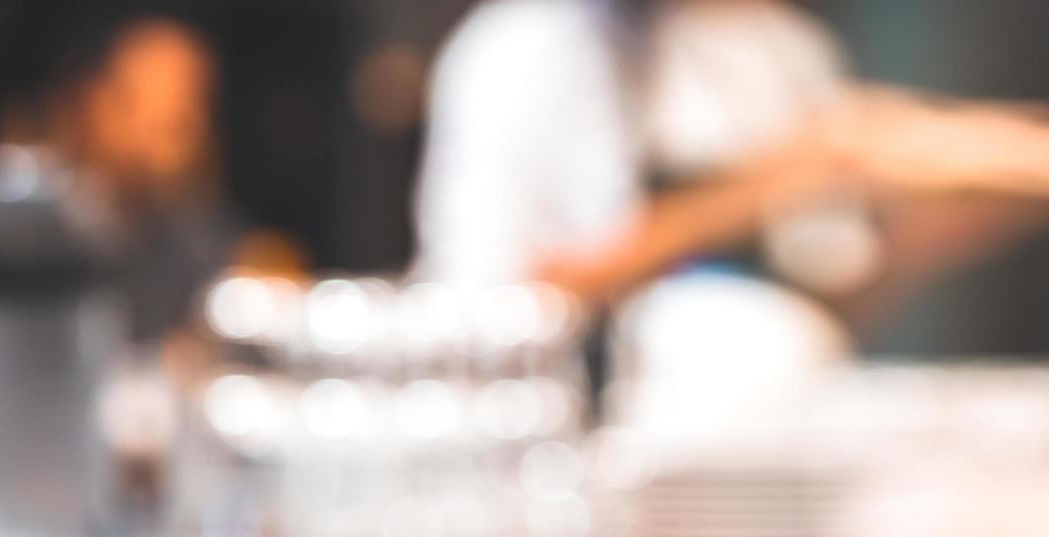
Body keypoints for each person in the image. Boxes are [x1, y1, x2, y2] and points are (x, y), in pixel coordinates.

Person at [415, 0, 1049, 326]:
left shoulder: (778, 47)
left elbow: (823, 303)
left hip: (761, 448)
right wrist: (773, 182)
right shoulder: (525, 48)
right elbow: (491, 307)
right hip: (572, 451)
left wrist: (933, 234)